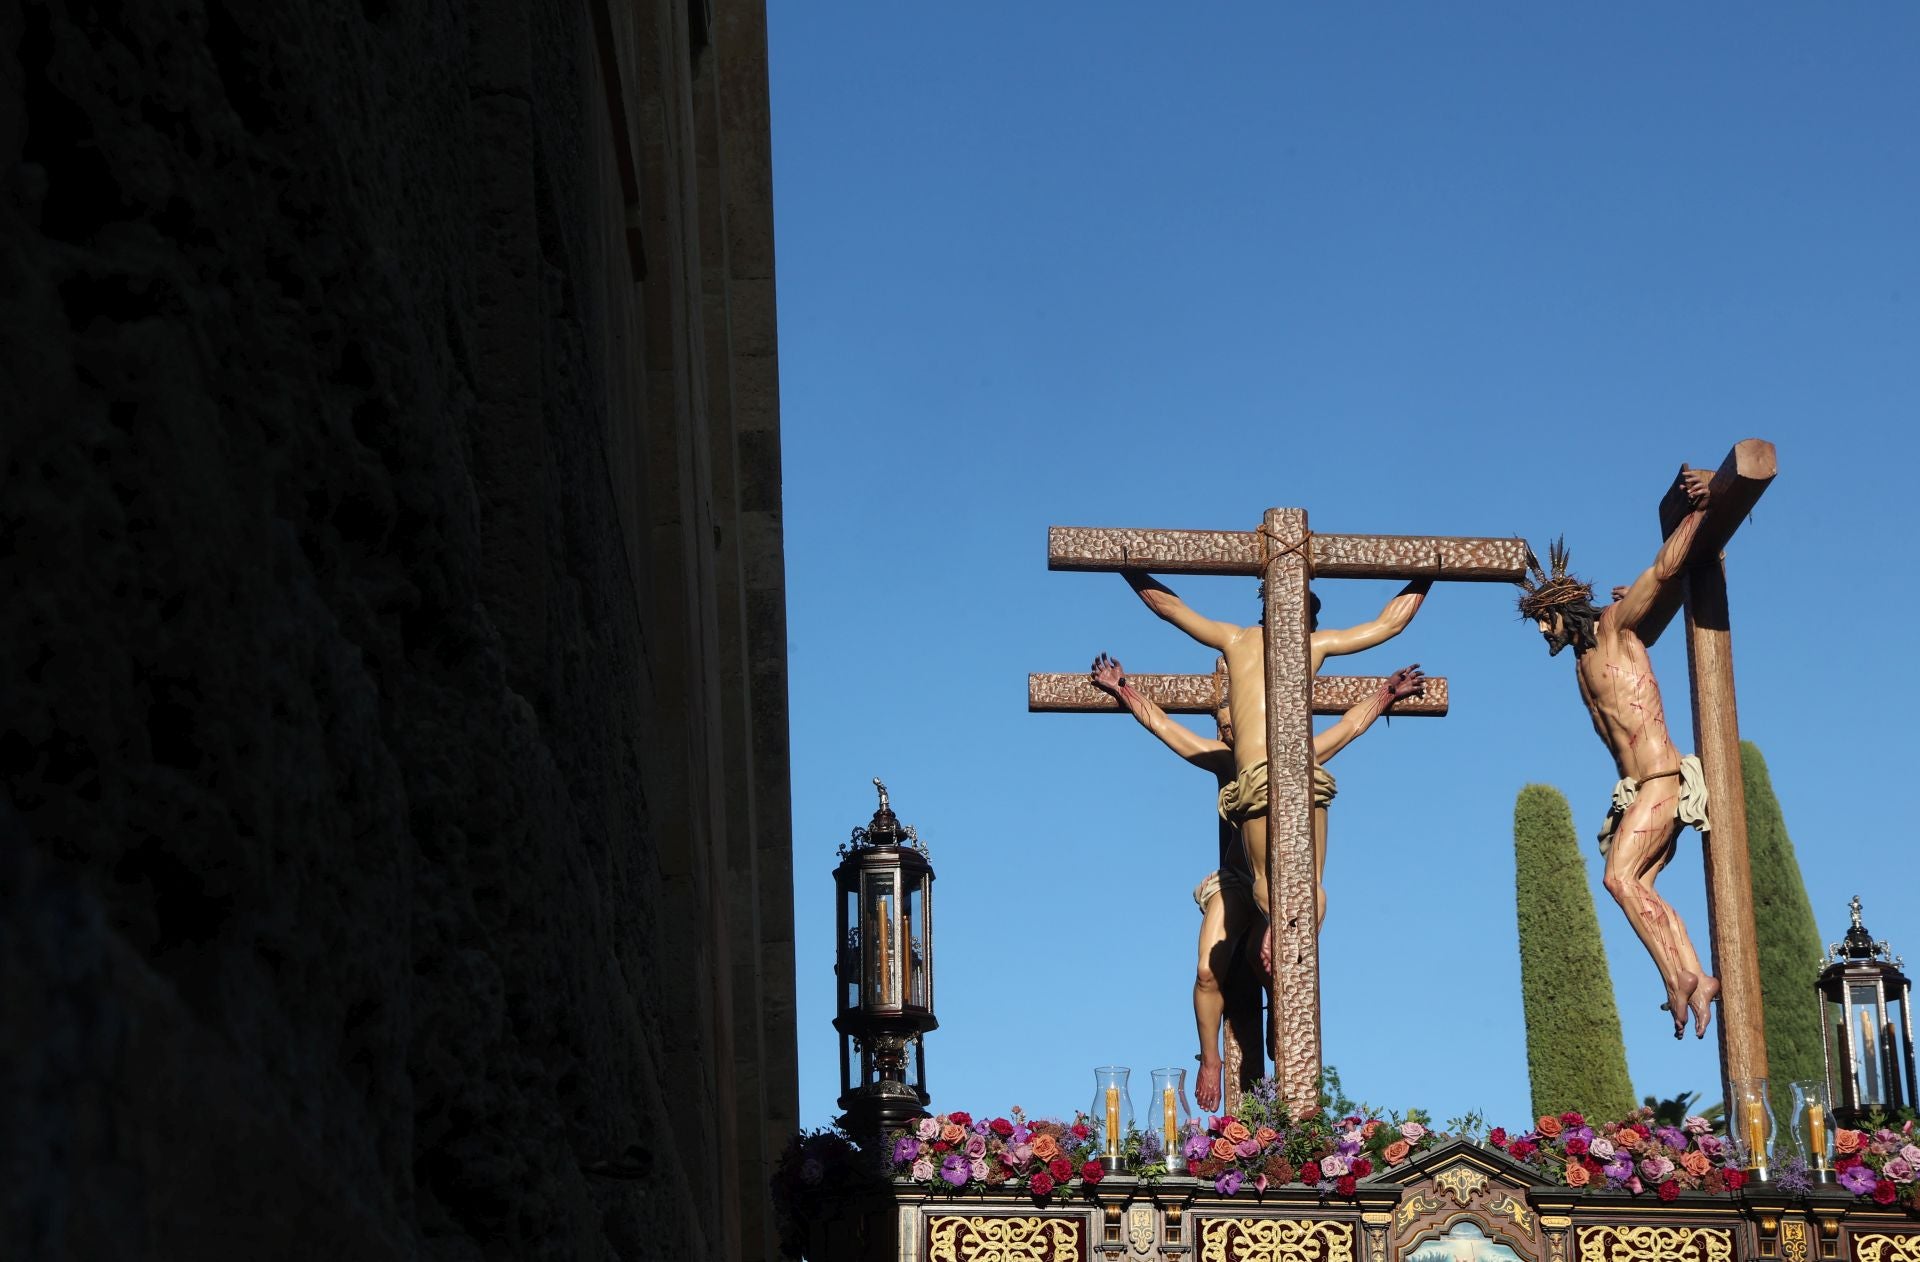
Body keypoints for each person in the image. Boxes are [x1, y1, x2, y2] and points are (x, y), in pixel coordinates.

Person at [1089, 651, 1425, 1109]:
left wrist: (1385, 693)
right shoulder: (1223, 761)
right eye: (1224, 722)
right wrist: (1123, 689)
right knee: (1208, 971)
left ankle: (1277, 1015)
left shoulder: (1292, 755)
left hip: (1283, 882)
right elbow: (1166, 727)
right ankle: (1211, 1058)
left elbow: (1348, 726)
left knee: (1276, 954)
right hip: (1234, 882)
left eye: (1237, 719)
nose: (1231, 728)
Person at [1120, 571, 1431, 965]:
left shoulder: (1243, 639)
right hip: (1285, 775)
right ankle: (1279, 932)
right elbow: (1391, 624)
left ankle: (1277, 930)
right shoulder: (1301, 644)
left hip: (1283, 774)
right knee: (1304, 886)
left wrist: (1124, 565)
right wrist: (1431, 570)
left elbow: (1170, 609)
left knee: (1289, 884)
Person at [1517, 468, 1720, 1039]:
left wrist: (1704, 513)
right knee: (1641, 885)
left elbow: (1662, 572)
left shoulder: (1616, 630)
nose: (1542, 634)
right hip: (1635, 789)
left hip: (1662, 779)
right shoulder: (1582, 666)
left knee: (1618, 880)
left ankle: (1673, 980)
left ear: (1562, 607)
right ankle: (1695, 976)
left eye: (1542, 621)